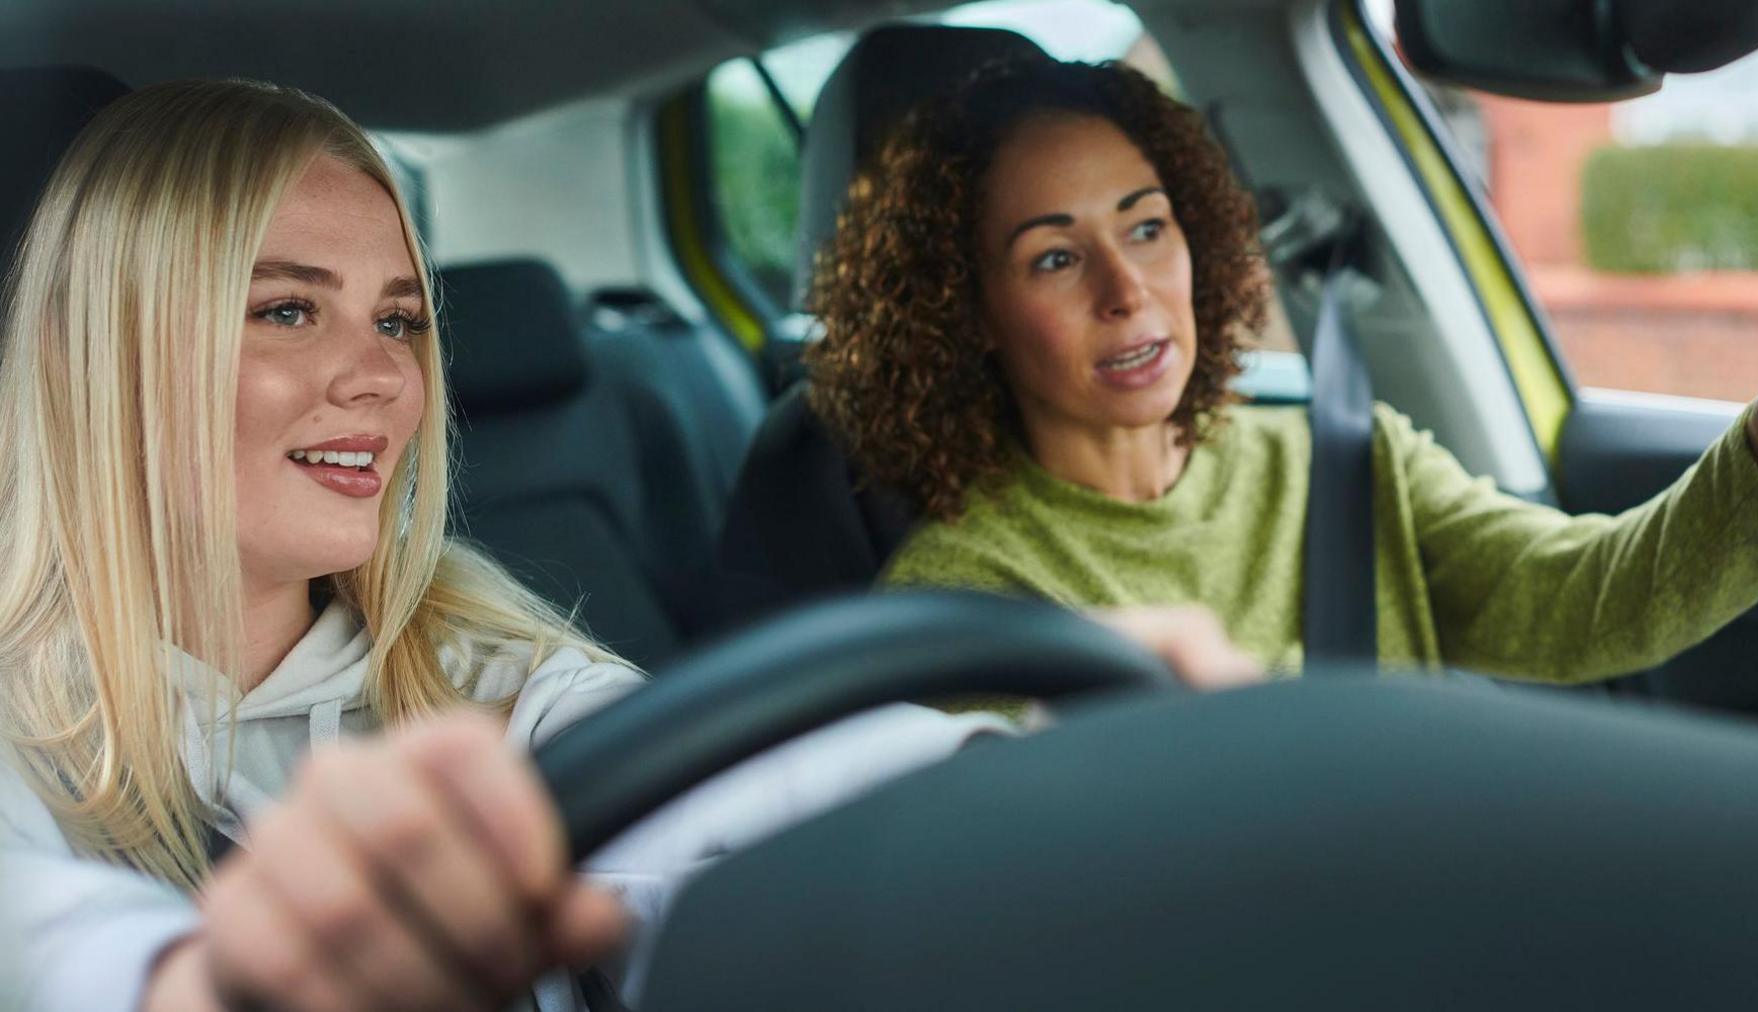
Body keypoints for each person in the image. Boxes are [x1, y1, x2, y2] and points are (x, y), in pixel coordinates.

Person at [0, 76, 1257, 1012]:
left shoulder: (477, 664)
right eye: (286, 308)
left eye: (400, 318)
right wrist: (203, 979)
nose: (383, 377)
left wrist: (1018, 776)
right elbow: (46, 944)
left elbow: (743, 785)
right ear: (97, 357)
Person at [806, 56, 1758, 681]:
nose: (1128, 289)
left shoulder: (1342, 461)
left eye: (1148, 227)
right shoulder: (959, 598)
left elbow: (1586, 602)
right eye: (1054, 257)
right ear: (966, 311)